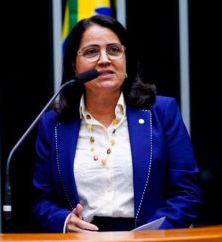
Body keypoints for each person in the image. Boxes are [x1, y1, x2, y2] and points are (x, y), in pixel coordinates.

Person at [31, 14, 202, 233]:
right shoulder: (53, 124)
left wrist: (150, 235)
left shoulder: (162, 112)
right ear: (74, 65)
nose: (104, 59)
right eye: (92, 51)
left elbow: (187, 192)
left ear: (126, 60)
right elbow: (41, 200)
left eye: (114, 50)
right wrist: (64, 221)